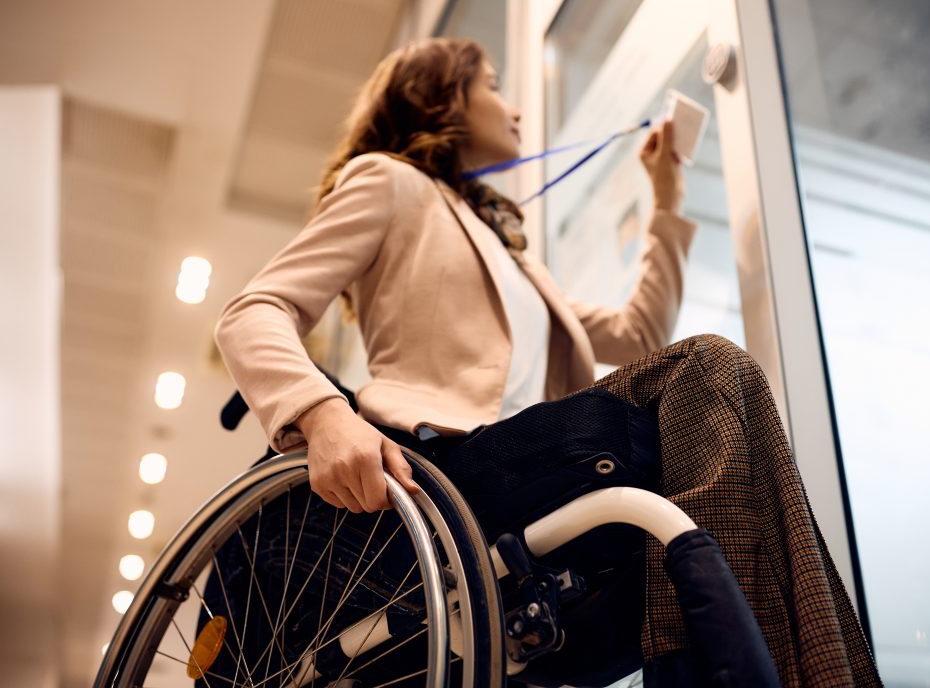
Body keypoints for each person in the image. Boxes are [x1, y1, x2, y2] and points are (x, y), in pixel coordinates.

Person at [214, 37, 880, 686]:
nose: (518, 110)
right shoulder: (389, 181)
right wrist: (324, 417)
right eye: (495, 86)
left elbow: (636, 331)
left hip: (525, 468)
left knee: (738, 469)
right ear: (441, 100)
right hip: (446, 472)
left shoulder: (518, 261)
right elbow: (254, 311)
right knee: (709, 372)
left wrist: (667, 204)